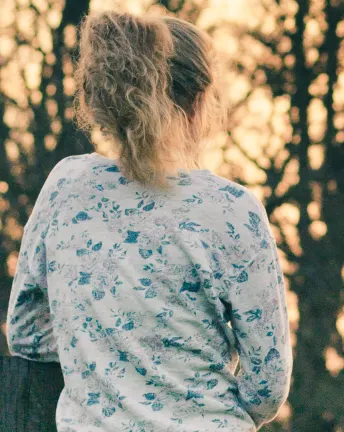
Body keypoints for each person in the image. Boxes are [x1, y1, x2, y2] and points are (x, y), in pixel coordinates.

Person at [5, 11, 292, 432]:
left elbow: (27, 333)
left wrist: (103, 359)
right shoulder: (232, 209)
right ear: (198, 100)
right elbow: (266, 386)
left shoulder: (66, 187)